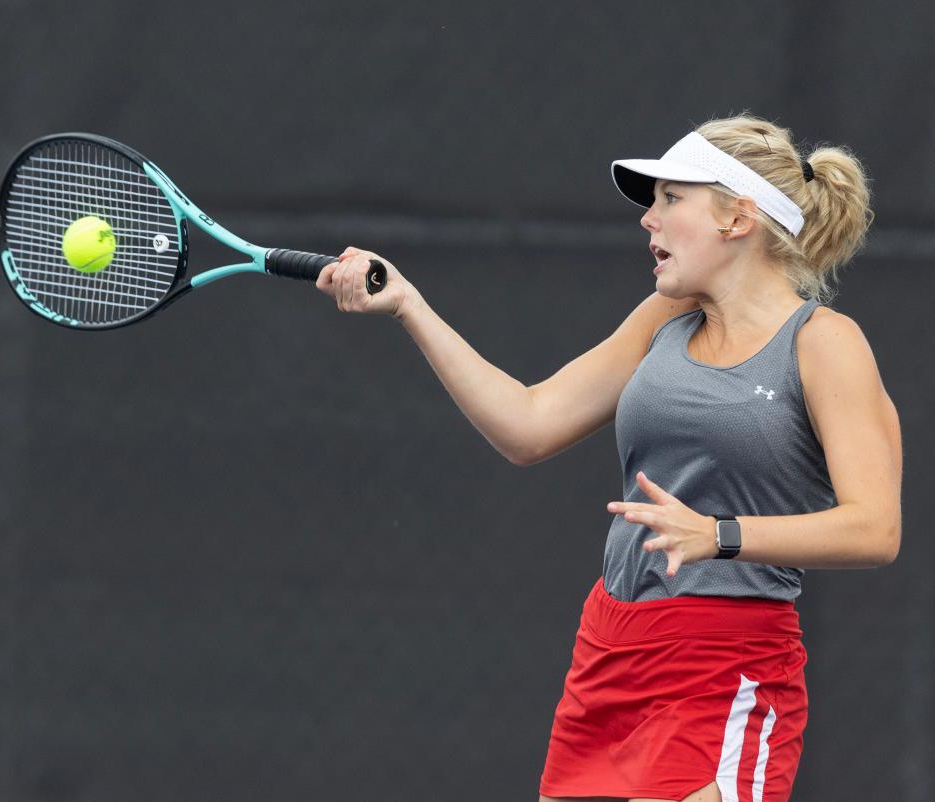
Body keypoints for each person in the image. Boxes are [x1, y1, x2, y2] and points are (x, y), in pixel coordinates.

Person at [314, 114, 902, 802]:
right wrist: (410, 306)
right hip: (611, 649)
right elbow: (527, 425)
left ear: (738, 218)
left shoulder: (825, 343)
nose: (648, 222)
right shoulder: (661, 319)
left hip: (727, 663)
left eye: (670, 200)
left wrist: (717, 536)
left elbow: (874, 528)